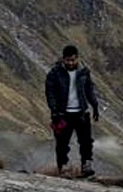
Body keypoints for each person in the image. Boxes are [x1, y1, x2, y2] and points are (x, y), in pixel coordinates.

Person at [43, 45, 101, 178]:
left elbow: (89, 90)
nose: (70, 63)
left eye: (73, 60)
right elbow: (50, 93)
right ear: (63, 59)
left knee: (86, 141)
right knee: (62, 143)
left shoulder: (84, 72)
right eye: (68, 60)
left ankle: (86, 166)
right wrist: (54, 112)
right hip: (63, 114)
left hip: (81, 112)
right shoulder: (55, 73)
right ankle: (63, 167)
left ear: (77, 58)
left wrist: (95, 106)